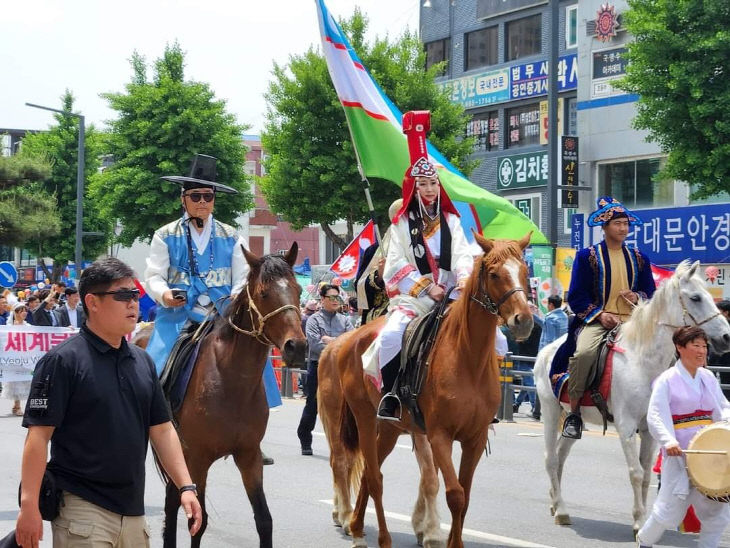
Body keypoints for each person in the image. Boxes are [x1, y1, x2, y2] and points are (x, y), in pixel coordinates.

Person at [15, 257, 202, 548]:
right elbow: (37, 438)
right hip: (81, 510)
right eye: (123, 296)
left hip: (133, 513)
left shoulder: (142, 361)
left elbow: (162, 430)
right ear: (93, 302)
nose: (133, 304)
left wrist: (186, 486)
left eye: (136, 295)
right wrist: (29, 507)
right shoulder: (62, 361)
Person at [363, 111, 473, 420]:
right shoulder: (403, 224)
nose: (429, 189)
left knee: (494, 335)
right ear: (414, 187)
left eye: (433, 183)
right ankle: (392, 394)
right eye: (423, 184)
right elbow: (395, 263)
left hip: (452, 293)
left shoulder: (451, 220)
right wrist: (426, 286)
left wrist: (463, 279)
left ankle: (480, 397)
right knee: (389, 336)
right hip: (415, 297)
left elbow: (463, 254)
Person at [144, 154, 248, 376]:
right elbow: (153, 276)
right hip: (178, 313)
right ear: (183, 199)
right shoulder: (164, 235)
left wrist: (236, 295)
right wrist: (165, 295)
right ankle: (152, 404)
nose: (202, 201)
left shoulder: (233, 236)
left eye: (208, 196)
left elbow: (243, 275)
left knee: (252, 359)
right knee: (154, 369)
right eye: (196, 196)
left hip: (222, 314)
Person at [562, 196, 656, 439]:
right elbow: (576, 296)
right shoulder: (586, 257)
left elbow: (651, 293)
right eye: (618, 224)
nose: (623, 228)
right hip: (598, 322)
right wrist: (600, 314)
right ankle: (574, 414)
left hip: (634, 322)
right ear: (604, 227)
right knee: (583, 354)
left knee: (665, 351)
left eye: (626, 223)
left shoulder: (639, 258)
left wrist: (636, 297)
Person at [636, 326, 730, 548]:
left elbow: (724, 407)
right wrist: (669, 441)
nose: (702, 351)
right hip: (680, 454)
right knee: (669, 510)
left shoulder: (708, 377)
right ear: (679, 348)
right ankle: (644, 541)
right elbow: (656, 415)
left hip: (708, 455)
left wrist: (725, 426)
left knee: (716, 509)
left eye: (704, 346)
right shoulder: (666, 380)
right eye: (695, 346)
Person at [297, 284, 354, 456]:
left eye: (338, 297)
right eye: (331, 297)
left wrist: (331, 341)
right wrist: (339, 342)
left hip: (341, 366)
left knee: (346, 405)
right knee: (313, 404)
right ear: (322, 299)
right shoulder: (313, 320)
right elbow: (315, 345)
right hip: (318, 366)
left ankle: (344, 443)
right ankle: (305, 438)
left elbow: (352, 342)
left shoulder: (345, 320)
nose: (336, 301)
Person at [5, 302, 32, 416]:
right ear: (16, 313)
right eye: (22, 311)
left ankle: (18, 405)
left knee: (24, 380)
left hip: (25, 356)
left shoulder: (28, 326)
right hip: (13, 356)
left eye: (25, 310)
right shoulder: (8, 327)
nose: (25, 313)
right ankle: (17, 405)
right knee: (15, 380)